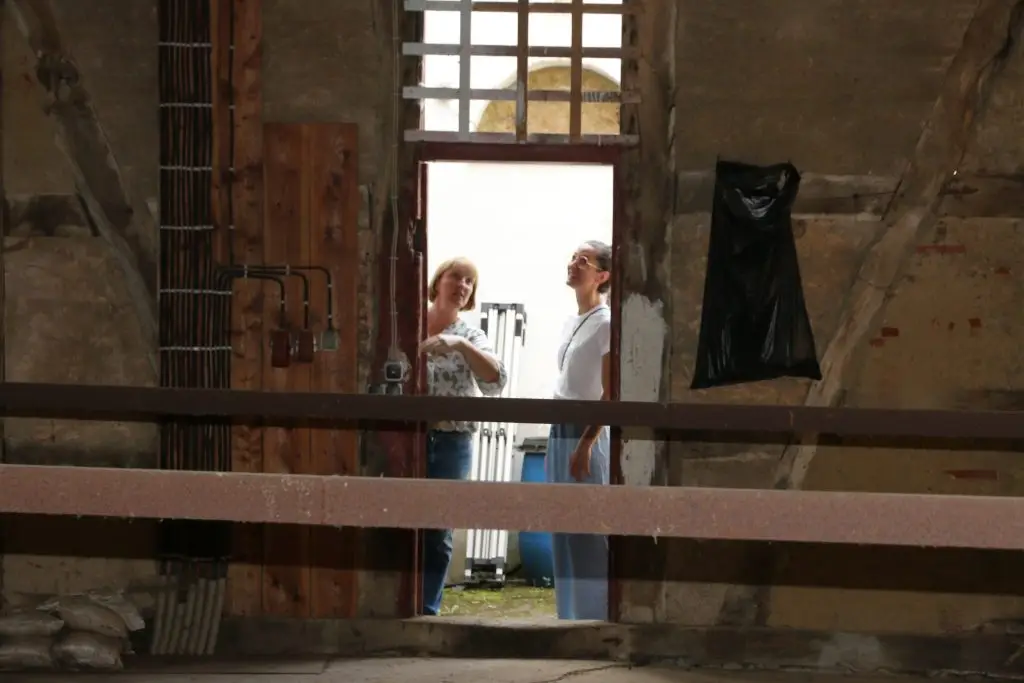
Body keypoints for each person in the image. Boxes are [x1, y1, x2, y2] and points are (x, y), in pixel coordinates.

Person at [417, 256, 507, 616]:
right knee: (397, 517)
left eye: (470, 281)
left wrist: (459, 345)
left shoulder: (470, 335)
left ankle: (427, 610)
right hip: (406, 438)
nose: (463, 285)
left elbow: (496, 381)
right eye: (456, 276)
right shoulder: (409, 322)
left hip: (452, 442)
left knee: (438, 529)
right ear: (439, 280)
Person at [547, 240, 612, 621]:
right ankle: (568, 615)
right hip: (560, 427)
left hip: (587, 431)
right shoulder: (572, 321)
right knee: (562, 522)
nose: (574, 263)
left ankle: (594, 616)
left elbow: (610, 393)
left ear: (601, 276)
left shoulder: (606, 324)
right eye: (572, 257)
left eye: (583, 261)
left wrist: (587, 443)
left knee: (587, 524)